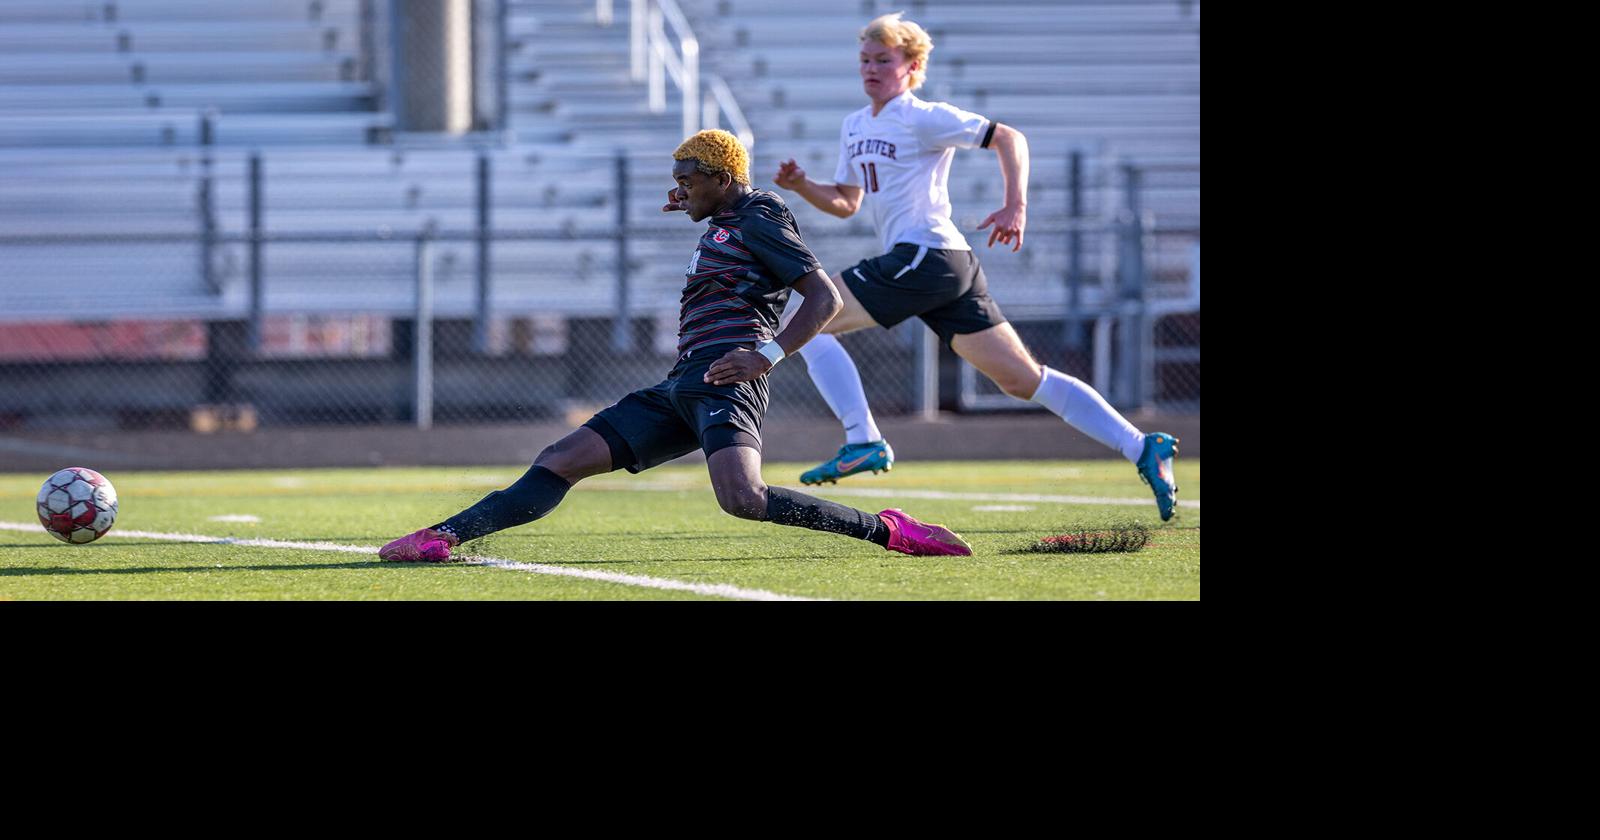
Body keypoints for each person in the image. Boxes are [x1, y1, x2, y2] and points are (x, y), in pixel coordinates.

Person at [379, 129, 971, 563]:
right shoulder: (728, 218)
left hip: (728, 380)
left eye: (690, 181)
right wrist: (697, 206)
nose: (679, 189)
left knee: (743, 498)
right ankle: (442, 538)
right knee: (560, 459)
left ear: (724, 180)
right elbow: (726, 234)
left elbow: (824, 299)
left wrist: (766, 356)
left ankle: (889, 530)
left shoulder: (760, 213)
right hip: (681, 384)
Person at [771, 12, 1180, 520]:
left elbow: (1010, 138)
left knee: (810, 318)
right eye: (865, 60)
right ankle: (1143, 446)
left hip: (927, 256)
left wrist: (1016, 205)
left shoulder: (921, 115)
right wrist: (803, 186)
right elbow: (848, 202)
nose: (871, 69)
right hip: (943, 267)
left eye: (883, 59)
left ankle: (863, 438)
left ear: (912, 65)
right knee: (1023, 379)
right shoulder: (855, 125)